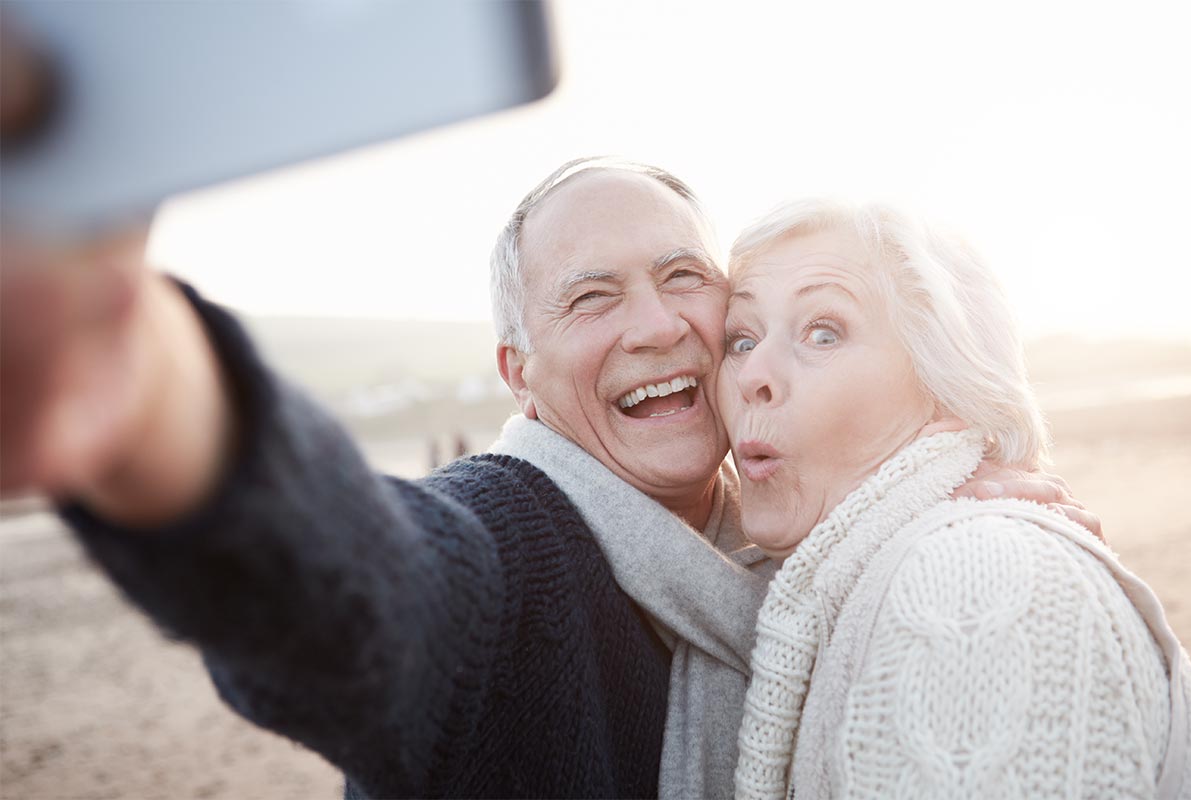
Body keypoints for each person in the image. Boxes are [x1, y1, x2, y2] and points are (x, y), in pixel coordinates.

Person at [0, 158, 1102, 799]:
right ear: (518, 375)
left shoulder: (793, 554)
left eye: (684, 277)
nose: (660, 323)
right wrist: (143, 391)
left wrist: (918, 508)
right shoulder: (508, 547)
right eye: (592, 298)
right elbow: (361, 588)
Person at [718, 199, 1191, 799]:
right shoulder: (824, 588)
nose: (750, 374)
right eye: (740, 339)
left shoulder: (971, 578)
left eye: (823, 332)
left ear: (948, 383)